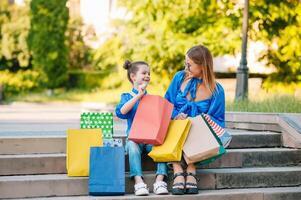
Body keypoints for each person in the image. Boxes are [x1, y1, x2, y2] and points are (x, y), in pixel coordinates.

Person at [164, 45, 232, 195]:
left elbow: (218, 119)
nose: (185, 67)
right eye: (185, 63)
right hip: (174, 126)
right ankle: (177, 169)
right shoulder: (179, 77)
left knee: (198, 124)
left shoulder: (216, 90)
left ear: (202, 66)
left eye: (189, 64)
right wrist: (175, 115)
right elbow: (167, 103)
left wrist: (199, 119)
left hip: (197, 134)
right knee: (171, 125)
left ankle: (191, 167)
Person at [115, 60, 169, 196]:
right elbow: (121, 112)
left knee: (163, 145)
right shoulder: (126, 97)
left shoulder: (152, 99)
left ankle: (160, 180)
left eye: (149, 73)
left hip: (151, 140)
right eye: (144, 73)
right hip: (134, 140)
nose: (147, 75)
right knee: (132, 145)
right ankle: (138, 182)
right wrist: (138, 96)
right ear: (133, 77)